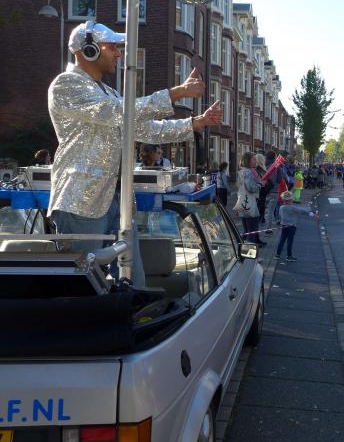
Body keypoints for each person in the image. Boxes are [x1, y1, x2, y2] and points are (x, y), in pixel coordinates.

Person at [47, 21, 221, 285]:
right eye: (112, 47)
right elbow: (119, 111)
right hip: (81, 201)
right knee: (82, 285)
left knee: (132, 280)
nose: (118, 54)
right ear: (89, 50)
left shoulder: (108, 92)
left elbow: (144, 129)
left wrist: (195, 123)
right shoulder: (66, 84)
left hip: (118, 198)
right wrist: (178, 92)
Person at [274, 190, 319, 262]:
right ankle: (289, 256)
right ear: (290, 200)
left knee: (282, 240)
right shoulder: (292, 208)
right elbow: (302, 211)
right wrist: (312, 214)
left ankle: (277, 254)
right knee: (290, 241)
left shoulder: (281, 207)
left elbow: (280, 216)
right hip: (291, 227)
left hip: (283, 226)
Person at [235, 152, 265, 246]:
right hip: (249, 203)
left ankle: (239, 247)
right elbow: (251, 188)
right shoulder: (248, 173)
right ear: (248, 160)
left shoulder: (241, 171)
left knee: (246, 230)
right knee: (252, 230)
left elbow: (238, 186)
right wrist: (260, 184)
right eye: (253, 159)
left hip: (243, 202)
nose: (255, 161)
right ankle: (249, 250)